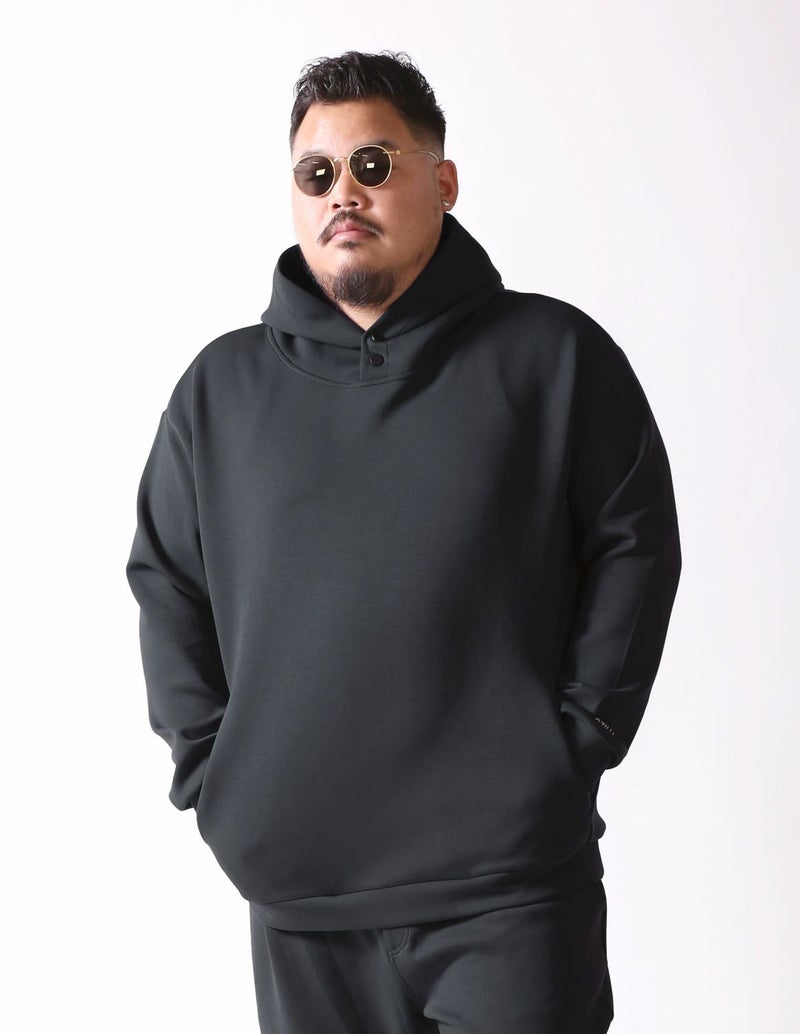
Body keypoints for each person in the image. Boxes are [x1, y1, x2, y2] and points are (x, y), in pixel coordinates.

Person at [125, 50, 682, 1034]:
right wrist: (218, 776)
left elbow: (633, 543)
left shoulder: (553, 359)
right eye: (316, 174)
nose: (342, 193)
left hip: (508, 890)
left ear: (443, 181)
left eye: (372, 164)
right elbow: (167, 581)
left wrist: (576, 739)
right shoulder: (218, 393)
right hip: (301, 902)